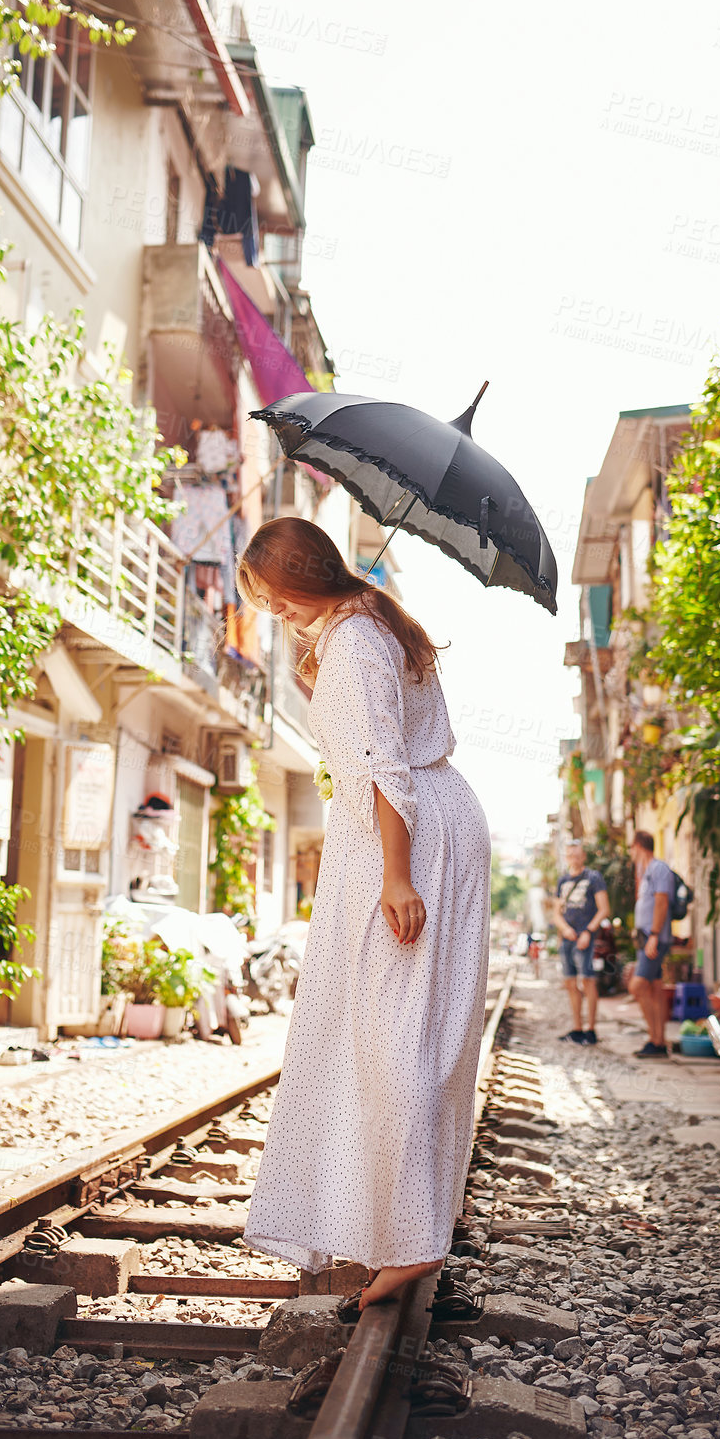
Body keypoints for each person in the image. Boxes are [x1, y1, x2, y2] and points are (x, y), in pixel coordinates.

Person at [236, 517, 491, 1311]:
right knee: (411, 1031)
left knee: (392, 1037)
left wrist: (395, 875)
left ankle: (411, 1241)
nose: (277, 615)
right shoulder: (372, 623)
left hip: (406, 840)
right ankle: (407, 1226)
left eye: (276, 601)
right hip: (428, 826)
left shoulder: (354, 641)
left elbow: (384, 765)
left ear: (301, 586)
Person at [553, 840, 609, 1044]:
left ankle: (591, 1029)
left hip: (586, 937)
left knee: (588, 980)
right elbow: (556, 914)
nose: (573, 859)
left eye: (576, 855)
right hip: (567, 938)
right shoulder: (562, 881)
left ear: (583, 856)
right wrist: (565, 929)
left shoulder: (593, 878)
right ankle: (577, 1028)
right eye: (569, 855)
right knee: (570, 982)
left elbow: (604, 909)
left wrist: (588, 931)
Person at [630, 829, 676, 1058]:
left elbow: (661, 902)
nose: (630, 851)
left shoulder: (659, 868)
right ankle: (658, 1041)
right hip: (646, 938)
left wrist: (655, 935)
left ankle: (654, 1038)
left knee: (636, 986)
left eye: (631, 847)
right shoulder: (644, 870)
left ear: (638, 845)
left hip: (655, 939)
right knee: (654, 988)